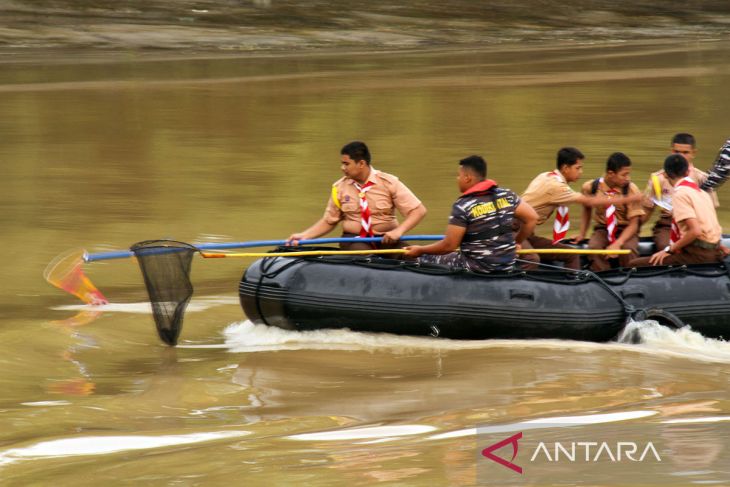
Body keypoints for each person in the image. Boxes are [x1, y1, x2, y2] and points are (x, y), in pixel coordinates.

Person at [404, 155, 538, 272]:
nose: (457, 179)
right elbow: (532, 218)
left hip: (477, 266)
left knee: (425, 257)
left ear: (467, 178)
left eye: (459, 175)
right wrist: (517, 242)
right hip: (507, 264)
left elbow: (449, 246)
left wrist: (421, 250)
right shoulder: (507, 195)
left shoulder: (463, 205)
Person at [518, 147, 642, 270]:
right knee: (532, 259)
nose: (581, 172)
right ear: (566, 168)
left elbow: (634, 223)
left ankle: (574, 283)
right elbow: (589, 202)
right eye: (578, 168)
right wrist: (627, 199)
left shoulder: (545, 176)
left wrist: (583, 234)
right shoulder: (559, 187)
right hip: (516, 228)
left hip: (526, 230)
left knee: (571, 254)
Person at [287, 141, 427, 250]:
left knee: (408, 255)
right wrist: (304, 236)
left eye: (346, 164)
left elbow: (418, 211)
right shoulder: (339, 188)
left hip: (386, 238)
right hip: (354, 240)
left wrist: (398, 231)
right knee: (363, 256)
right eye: (342, 164)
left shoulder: (389, 183)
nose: (342, 168)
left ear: (361, 163)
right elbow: (329, 221)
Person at [630, 154, 725, 267]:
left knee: (633, 264)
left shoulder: (680, 194)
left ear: (665, 174)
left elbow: (695, 231)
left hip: (698, 254)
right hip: (715, 251)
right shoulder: (702, 193)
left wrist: (668, 250)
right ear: (687, 172)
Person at [641, 133, 718, 250]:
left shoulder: (702, 179)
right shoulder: (658, 179)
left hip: (696, 224)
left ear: (694, 153)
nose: (681, 156)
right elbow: (647, 211)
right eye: (677, 152)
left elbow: (710, 212)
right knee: (664, 246)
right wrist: (632, 231)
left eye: (685, 152)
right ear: (671, 151)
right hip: (667, 224)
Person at [576, 152, 644, 271]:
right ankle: (603, 276)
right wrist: (582, 233)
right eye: (624, 175)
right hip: (603, 228)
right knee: (594, 247)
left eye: (629, 174)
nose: (628, 178)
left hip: (626, 229)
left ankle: (629, 276)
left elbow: (634, 224)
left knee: (628, 249)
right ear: (611, 174)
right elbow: (586, 209)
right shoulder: (591, 187)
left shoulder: (631, 189)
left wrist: (617, 243)